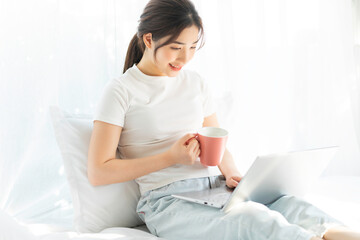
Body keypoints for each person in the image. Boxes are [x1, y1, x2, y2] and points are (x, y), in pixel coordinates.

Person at [87, 0, 360, 239]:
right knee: (253, 222)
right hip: (166, 202)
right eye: (176, 47)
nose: (185, 57)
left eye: (193, 47)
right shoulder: (121, 90)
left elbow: (217, 142)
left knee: (294, 207)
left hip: (214, 190)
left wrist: (232, 174)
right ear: (149, 40)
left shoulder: (196, 83)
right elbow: (99, 171)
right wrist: (170, 158)